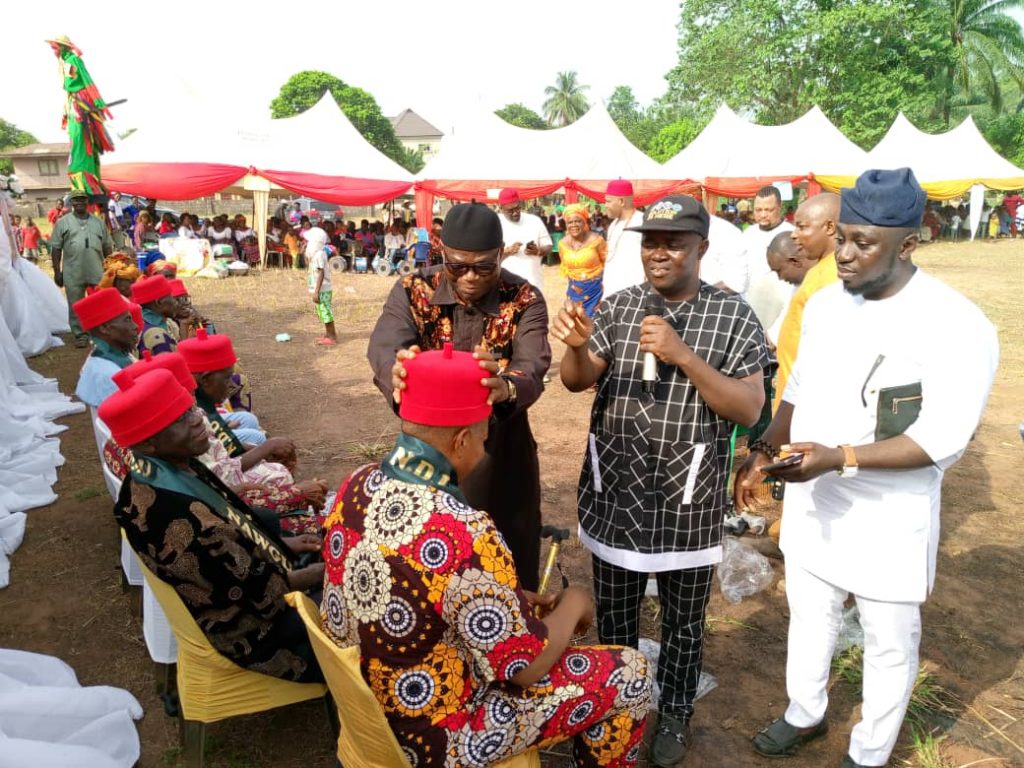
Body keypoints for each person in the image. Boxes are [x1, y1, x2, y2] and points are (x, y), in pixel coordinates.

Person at [735, 168, 999, 768]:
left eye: (863, 243)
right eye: (843, 238)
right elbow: (797, 391)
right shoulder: (827, 304)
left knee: (886, 639)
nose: (844, 255)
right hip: (813, 497)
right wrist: (763, 449)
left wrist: (841, 458)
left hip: (888, 511)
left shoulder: (956, 323)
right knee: (810, 616)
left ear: (908, 244)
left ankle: (870, 752)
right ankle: (805, 713)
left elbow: (941, 438)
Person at [322, 343, 652, 767]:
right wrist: (574, 606)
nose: (483, 445)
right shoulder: (462, 530)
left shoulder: (354, 485)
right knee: (631, 673)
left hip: (370, 716)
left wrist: (509, 599)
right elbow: (525, 667)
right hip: (436, 738)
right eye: (481, 435)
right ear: (460, 440)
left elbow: (419, 593)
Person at [552, 195, 769, 767]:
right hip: (617, 491)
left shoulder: (732, 315)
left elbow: (748, 408)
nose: (659, 252)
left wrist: (684, 357)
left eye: (673, 242)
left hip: (686, 500)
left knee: (683, 620)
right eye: (651, 241)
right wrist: (575, 348)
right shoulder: (619, 307)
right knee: (618, 614)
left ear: (702, 248)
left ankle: (674, 713)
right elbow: (578, 382)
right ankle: (616, 709)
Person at [367, 202, 550, 590]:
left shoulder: (524, 298)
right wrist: (395, 373)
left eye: (484, 267)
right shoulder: (412, 290)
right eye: (457, 266)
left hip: (501, 447)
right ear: (441, 252)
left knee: (508, 549)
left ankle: (515, 636)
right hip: (426, 447)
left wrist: (506, 386)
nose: (470, 277)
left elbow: (532, 364)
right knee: (423, 551)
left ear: (501, 254)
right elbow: (385, 348)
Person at [102, 367, 325, 683]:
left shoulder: (162, 469)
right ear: (149, 443)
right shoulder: (175, 514)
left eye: (190, 408)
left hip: (245, 592)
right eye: (180, 419)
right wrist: (319, 575)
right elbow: (253, 591)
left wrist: (282, 545)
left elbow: (231, 534)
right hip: (256, 631)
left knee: (276, 524)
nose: (197, 420)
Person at [773, 193, 840, 412]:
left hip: (806, 407)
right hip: (793, 396)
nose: (794, 235)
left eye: (802, 227)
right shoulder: (819, 270)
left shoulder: (833, 276)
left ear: (829, 227)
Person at [179, 328, 272, 450]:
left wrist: (222, 428)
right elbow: (219, 449)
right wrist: (264, 449)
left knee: (248, 419)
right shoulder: (193, 405)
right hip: (210, 455)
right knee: (258, 438)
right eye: (227, 378)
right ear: (205, 379)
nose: (232, 384)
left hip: (210, 433)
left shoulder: (201, 394)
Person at [49, 189, 114, 347]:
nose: (79, 203)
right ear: (71, 203)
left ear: (87, 202)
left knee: (100, 301)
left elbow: (107, 246)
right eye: (75, 200)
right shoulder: (62, 222)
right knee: (76, 304)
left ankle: (101, 331)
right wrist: (57, 272)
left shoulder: (98, 222)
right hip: (73, 270)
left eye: (82, 200)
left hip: (96, 269)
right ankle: (80, 334)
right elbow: (56, 249)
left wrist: (109, 267)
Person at [740, 186, 796, 328]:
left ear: (779, 207)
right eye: (758, 210)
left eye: (768, 210)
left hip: (782, 305)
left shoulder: (792, 234)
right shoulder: (748, 234)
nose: (763, 214)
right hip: (750, 304)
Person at [497, 188, 552, 294]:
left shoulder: (534, 221)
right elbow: (486, 258)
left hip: (533, 285)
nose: (515, 213)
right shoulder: (495, 223)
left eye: (517, 208)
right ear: (501, 208)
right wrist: (506, 253)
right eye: (510, 211)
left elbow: (548, 246)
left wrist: (538, 251)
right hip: (506, 289)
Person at [558, 204, 607, 317]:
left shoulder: (597, 240)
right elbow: (565, 267)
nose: (574, 225)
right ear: (566, 224)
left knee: (595, 324)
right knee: (576, 325)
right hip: (574, 293)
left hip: (595, 292)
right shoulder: (562, 244)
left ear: (584, 222)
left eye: (578, 221)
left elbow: (608, 264)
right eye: (570, 222)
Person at [763, 233, 809, 348]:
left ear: (794, 262)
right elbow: (774, 336)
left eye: (779, 271)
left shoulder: (826, 285)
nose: (780, 278)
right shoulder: (796, 288)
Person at [602, 179, 644, 298]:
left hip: (633, 295)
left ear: (621, 201)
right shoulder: (613, 224)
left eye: (608, 201)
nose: (605, 205)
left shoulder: (642, 222)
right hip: (611, 294)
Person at [304, 223, 337, 346]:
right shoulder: (317, 254)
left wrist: (316, 291)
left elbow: (321, 273)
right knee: (322, 312)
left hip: (322, 290)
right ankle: (328, 334)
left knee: (326, 312)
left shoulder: (319, 254)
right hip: (320, 289)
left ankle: (332, 336)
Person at [131, 274, 178, 357]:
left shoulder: (141, 324)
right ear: (159, 302)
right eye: (171, 298)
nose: (176, 303)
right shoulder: (156, 335)